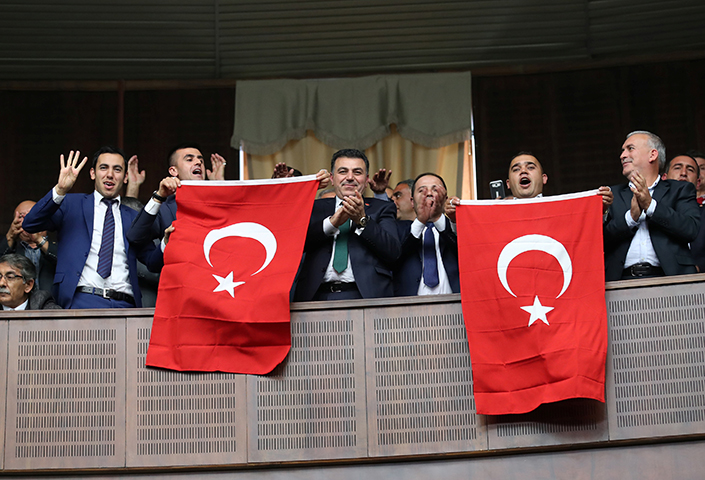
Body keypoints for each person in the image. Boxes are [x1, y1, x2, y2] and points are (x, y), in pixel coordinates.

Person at [22, 146, 165, 308]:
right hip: (81, 300)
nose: (109, 174)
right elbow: (30, 224)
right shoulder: (71, 204)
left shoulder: (133, 217)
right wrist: (60, 190)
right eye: (103, 168)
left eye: (117, 169)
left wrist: (167, 241)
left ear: (125, 177)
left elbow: (153, 262)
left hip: (125, 304)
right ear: (92, 173)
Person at [294, 149, 401, 301]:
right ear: (332, 178)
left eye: (357, 172)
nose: (350, 177)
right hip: (316, 295)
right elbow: (296, 245)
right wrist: (331, 224)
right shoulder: (314, 207)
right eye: (343, 171)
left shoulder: (382, 208)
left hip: (366, 295)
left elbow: (393, 251)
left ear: (366, 179)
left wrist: (362, 220)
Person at [604, 131, 700, 281]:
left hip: (671, 279)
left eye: (630, 148)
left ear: (652, 155)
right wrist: (631, 218)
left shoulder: (680, 189)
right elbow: (599, 240)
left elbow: (690, 229)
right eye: (623, 150)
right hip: (621, 281)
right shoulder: (612, 194)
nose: (622, 155)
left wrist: (650, 206)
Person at [126, 143, 226, 247]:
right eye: (189, 159)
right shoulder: (164, 209)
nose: (198, 163)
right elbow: (134, 236)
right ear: (173, 171)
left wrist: (220, 185)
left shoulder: (217, 202)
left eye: (201, 160)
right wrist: (159, 196)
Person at [394, 173, 459, 296]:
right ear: (412, 202)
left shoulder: (455, 227)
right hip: (409, 308)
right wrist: (421, 221)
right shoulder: (398, 229)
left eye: (435, 189)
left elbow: (464, 253)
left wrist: (437, 218)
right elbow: (396, 257)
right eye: (422, 190)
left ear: (445, 199)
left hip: (454, 306)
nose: (429, 194)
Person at [0, 200, 57, 291]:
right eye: (21, 217)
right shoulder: (11, 249)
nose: (28, 220)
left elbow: (69, 264)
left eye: (33, 215)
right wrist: (10, 236)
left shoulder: (60, 244)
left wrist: (39, 240)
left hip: (54, 303)